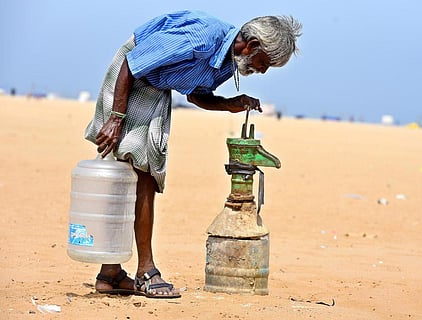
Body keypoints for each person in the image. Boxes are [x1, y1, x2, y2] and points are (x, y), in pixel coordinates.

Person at [84, 10, 301, 299]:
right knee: (141, 174)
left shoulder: (227, 65)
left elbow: (195, 95)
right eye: (265, 63)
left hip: (156, 89)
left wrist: (229, 104)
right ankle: (146, 271)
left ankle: (110, 273)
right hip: (128, 81)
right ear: (252, 46)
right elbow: (132, 63)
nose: (262, 71)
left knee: (138, 174)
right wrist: (116, 117)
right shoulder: (200, 38)